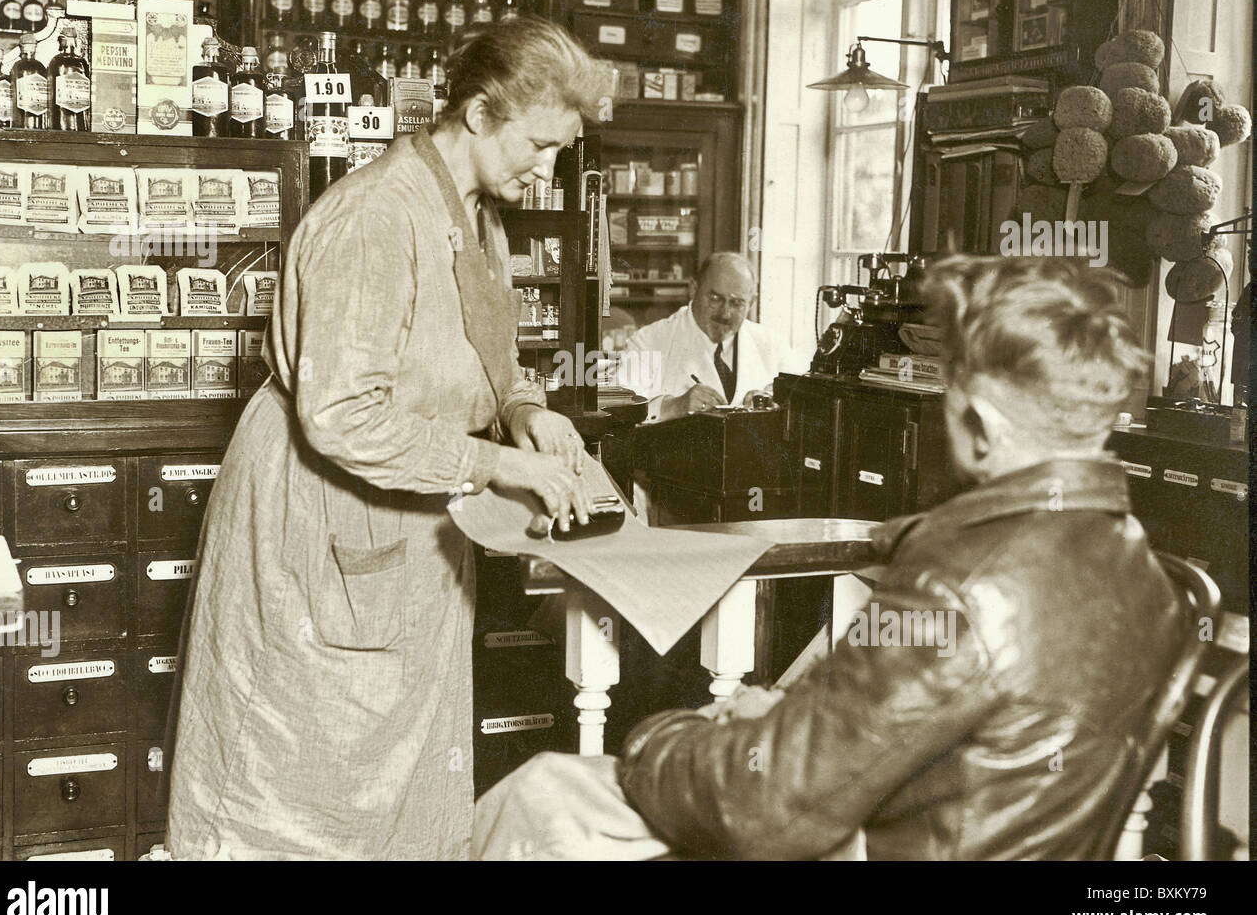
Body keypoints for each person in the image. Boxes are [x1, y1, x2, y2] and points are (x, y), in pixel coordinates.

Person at [473, 255, 1192, 860]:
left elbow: (769, 806)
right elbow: (962, 740)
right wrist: (791, 716)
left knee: (544, 790)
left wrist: (663, 733)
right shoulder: (1153, 585)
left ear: (980, 419)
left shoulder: (959, 587)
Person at [166, 18, 609, 860]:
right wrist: (496, 462)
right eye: (541, 145)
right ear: (479, 114)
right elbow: (341, 415)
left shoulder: (478, 216)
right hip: (318, 525)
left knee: (396, 792)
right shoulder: (373, 217)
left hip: (405, 531)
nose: (549, 170)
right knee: (295, 791)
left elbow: (490, 355)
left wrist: (526, 411)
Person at [617, 252, 802, 421]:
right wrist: (672, 406)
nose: (726, 313)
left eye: (737, 303)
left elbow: (802, 399)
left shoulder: (772, 345)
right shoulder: (647, 342)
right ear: (693, 289)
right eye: (715, 299)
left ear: (751, 303)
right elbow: (620, 411)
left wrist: (776, 403)